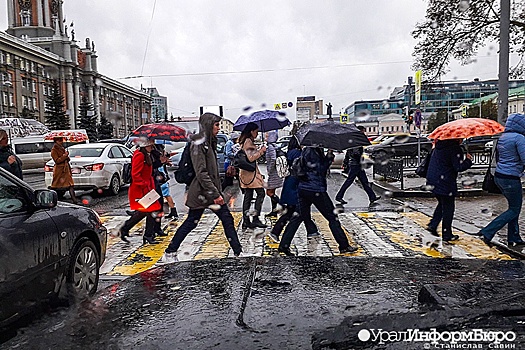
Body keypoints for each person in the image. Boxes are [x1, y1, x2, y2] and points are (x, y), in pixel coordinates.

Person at [160, 113, 243, 263]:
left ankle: (237, 251)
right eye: (216, 125)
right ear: (208, 125)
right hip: (202, 192)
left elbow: (211, 171)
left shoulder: (209, 142)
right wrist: (215, 194)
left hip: (206, 191)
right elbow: (201, 172)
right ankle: (170, 252)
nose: (218, 128)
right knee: (198, 221)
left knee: (213, 220)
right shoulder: (198, 144)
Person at [277, 146, 358, 256]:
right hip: (315, 190)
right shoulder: (313, 151)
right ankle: (343, 245)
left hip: (303, 188)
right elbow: (320, 170)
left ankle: (283, 246)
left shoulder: (308, 150)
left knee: (297, 217)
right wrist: (329, 157)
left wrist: (327, 156)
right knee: (332, 217)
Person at [478, 113, 525, 247]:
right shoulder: (519, 138)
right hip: (511, 178)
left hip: (499, 176)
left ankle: (514, 237)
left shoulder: (503, 137)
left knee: (513, 207)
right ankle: (487, 231)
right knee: (514, 209)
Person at [267, 136, 319, 243]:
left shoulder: (291, 152)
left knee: (294, 211)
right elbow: (303, 167)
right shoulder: (297, 153)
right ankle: (278, 234)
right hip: (295, 185)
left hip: (291, 184)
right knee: (297, 211)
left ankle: (311, 231)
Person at [426, 139, 472, 242]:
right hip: (445, 181)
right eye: (461, 138)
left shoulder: (438, 146)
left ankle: (433, 225)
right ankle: (447, 234)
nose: (462, 139)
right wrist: (468, 161)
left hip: (433, 180)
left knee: (442, 203)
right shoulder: (454, 148)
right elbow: (458, 167)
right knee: (448, 208)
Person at [118, 138, 162, 244]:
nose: (152, 147)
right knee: (151, 211)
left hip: (147, 187)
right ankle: (148, 235)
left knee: (143, 212)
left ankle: (125, 229)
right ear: (145, 145)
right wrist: (144, 185)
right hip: (141, 189)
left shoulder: (146, 154)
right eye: (151, 145)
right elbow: (135, 174)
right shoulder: (140, 155)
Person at [335, 126, 381, 205]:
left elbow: (348, 153)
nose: (364, 133)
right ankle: (339, 196)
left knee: (364, 182)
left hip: (356, 165)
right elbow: (355, 154)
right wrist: (360, 159)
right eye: (363, 131)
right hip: (356, 165)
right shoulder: (356, 141)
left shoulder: (354, 140)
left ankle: (372, 197)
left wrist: (346, 162)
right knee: (349, 181)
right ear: (360, 131)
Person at [238, 122, 267, 229]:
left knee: (248, 196)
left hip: (246, 173)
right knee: (261, 193)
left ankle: (246, 220)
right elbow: (251, 158)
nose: (257, 133)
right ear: (251, 131)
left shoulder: (244, 140)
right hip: (250, 174)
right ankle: (255, 218)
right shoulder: (248, 141)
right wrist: (261, 151)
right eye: (256, 131)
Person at [50, 136, 78, 204]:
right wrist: (65, 156)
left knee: (70, 185)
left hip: (66, 170)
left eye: (62, 140)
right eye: (60, 140)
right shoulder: (54, 150)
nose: (61, 142)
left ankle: (74, 200)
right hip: (60, 170)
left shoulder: (62, 148)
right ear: (56, 141)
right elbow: (57, 160)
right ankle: (53, 199)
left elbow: (67, 159)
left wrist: (67, 156)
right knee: (56, 186)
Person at [264, 130, 284, 217]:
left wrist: (270, 169)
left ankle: (283, 206)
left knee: (269, 192)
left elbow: (273, 159)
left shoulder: (271, 147)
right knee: (271, 191)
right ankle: (274, 210)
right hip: (276, 172)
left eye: (267, 136)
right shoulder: (274, 146)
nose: (266, 137)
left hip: (274, 173)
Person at [157, 155, 178, 220]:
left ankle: (159, 212)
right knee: (167, 195)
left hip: (160, 178)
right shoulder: (161, 153)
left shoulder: (157, 154)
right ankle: (173, 211)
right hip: (163, 178)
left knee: (159, 196)